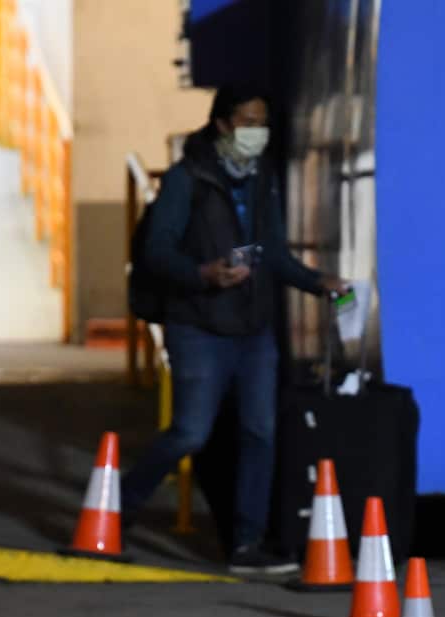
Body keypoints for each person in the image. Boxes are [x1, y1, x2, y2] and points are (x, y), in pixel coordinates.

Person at [122, 86, 345, 575]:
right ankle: (118, 507)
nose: (257, 132)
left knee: (259, 433)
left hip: (253, 330)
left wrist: (318, 283)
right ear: (222, 124)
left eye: (262, 122)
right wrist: (205, 273)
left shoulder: (262, 177)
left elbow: (274, 254)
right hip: (198, 327)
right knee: (189, 433)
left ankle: (247, 544)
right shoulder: (188, 179)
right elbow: (157, 251)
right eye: (247, 122)